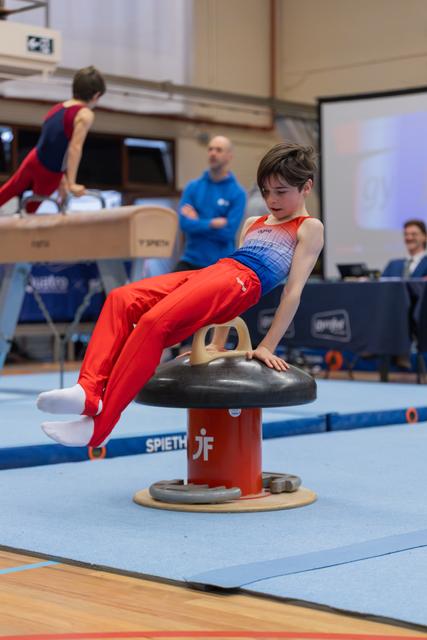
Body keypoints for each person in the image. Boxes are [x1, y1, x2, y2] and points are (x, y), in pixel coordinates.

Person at [36, 142, 324, 448]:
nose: (271, 200)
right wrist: (215, 343)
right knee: (121, 299)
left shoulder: (309, 228)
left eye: (280, 192)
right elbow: (223, 303)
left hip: (244, 281)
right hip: (218, 271)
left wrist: (267, 345)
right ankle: (89, 391)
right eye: (266, 191)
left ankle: (98, 428)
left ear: (306, 187)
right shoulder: (254, 223)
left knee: (152, 324)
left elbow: (292, 292)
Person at [0, 66, 106, 213]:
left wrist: (62, 179)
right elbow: (75, 148)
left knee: (6, 192)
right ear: (96, 95)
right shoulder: (85, 114)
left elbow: (54, 142)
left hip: (34, 158)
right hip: (50, 172)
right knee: (29, 212)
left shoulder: (58, 107)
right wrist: (71, 183)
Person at [174, 135, 246, 271]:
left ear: (229, 156)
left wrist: (197, 222)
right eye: (210, 149)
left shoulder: (238, 193)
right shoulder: (192, 187)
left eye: (218, 150)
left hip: (220, 264)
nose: (213, 153)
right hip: (190, 260)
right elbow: (184, 224)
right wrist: (212, 224)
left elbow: (228, 234)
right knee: (167, 291)